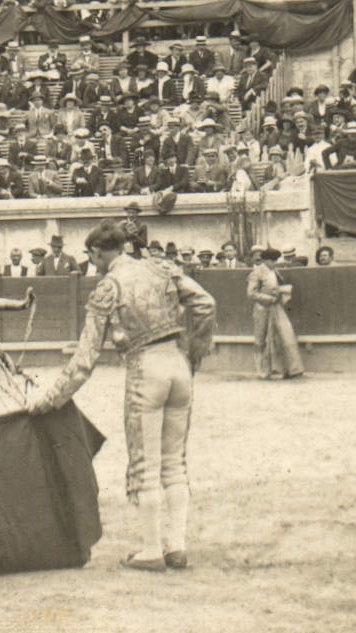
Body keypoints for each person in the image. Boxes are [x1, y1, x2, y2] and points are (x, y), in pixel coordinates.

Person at [29, 220, 216, 573]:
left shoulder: (107, 287)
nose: (93, 263)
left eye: (93, 257)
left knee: (146, 466)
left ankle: (150, 550)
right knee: (175, 462)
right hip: (178, 365)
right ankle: (176, 547)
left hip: (146, 371)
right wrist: (193, 352)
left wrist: (51, 398)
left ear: (99, 253)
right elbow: (206, 303)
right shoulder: (162, 267)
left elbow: (84, 362)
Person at [246, 247, 304, 380]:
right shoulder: (256, 273)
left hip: (276, 307)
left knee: (284, 336)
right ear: (265, 260)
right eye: (272, 260)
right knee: (261, 339)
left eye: (275, 260)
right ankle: (262, 371)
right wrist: (269, 298)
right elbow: (251, 294)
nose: (274, 262)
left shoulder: (275, 272)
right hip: (262, 309)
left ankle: (288, 369)